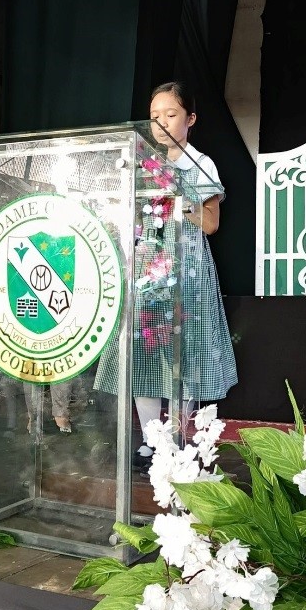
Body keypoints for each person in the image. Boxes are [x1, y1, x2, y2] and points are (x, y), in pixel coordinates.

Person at [95, 81, 237, 458]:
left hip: (187, 271)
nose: (161, 123)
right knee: (145, 352)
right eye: (154, 116)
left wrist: (179, 198)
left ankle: (174, 440)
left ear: (190, 119)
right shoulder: (144, 162)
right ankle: (151, 440)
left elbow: (211, 224)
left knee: (184, 355)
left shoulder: (201, 164)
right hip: (148, 267)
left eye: (170, 115)